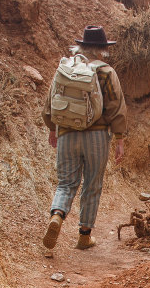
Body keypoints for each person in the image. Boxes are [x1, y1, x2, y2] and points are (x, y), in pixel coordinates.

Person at [40, 26, 128, 255]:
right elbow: (116, 107)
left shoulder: (66, 68)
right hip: (97, 136)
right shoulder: (107, 72)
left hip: (67, 133)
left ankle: (57, 215)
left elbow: (51, 99)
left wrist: (52, 128)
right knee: (92, 184)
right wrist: (119, 138)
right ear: (102, 49)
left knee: (66, 183)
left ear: (80, 46)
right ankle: (84, 236)